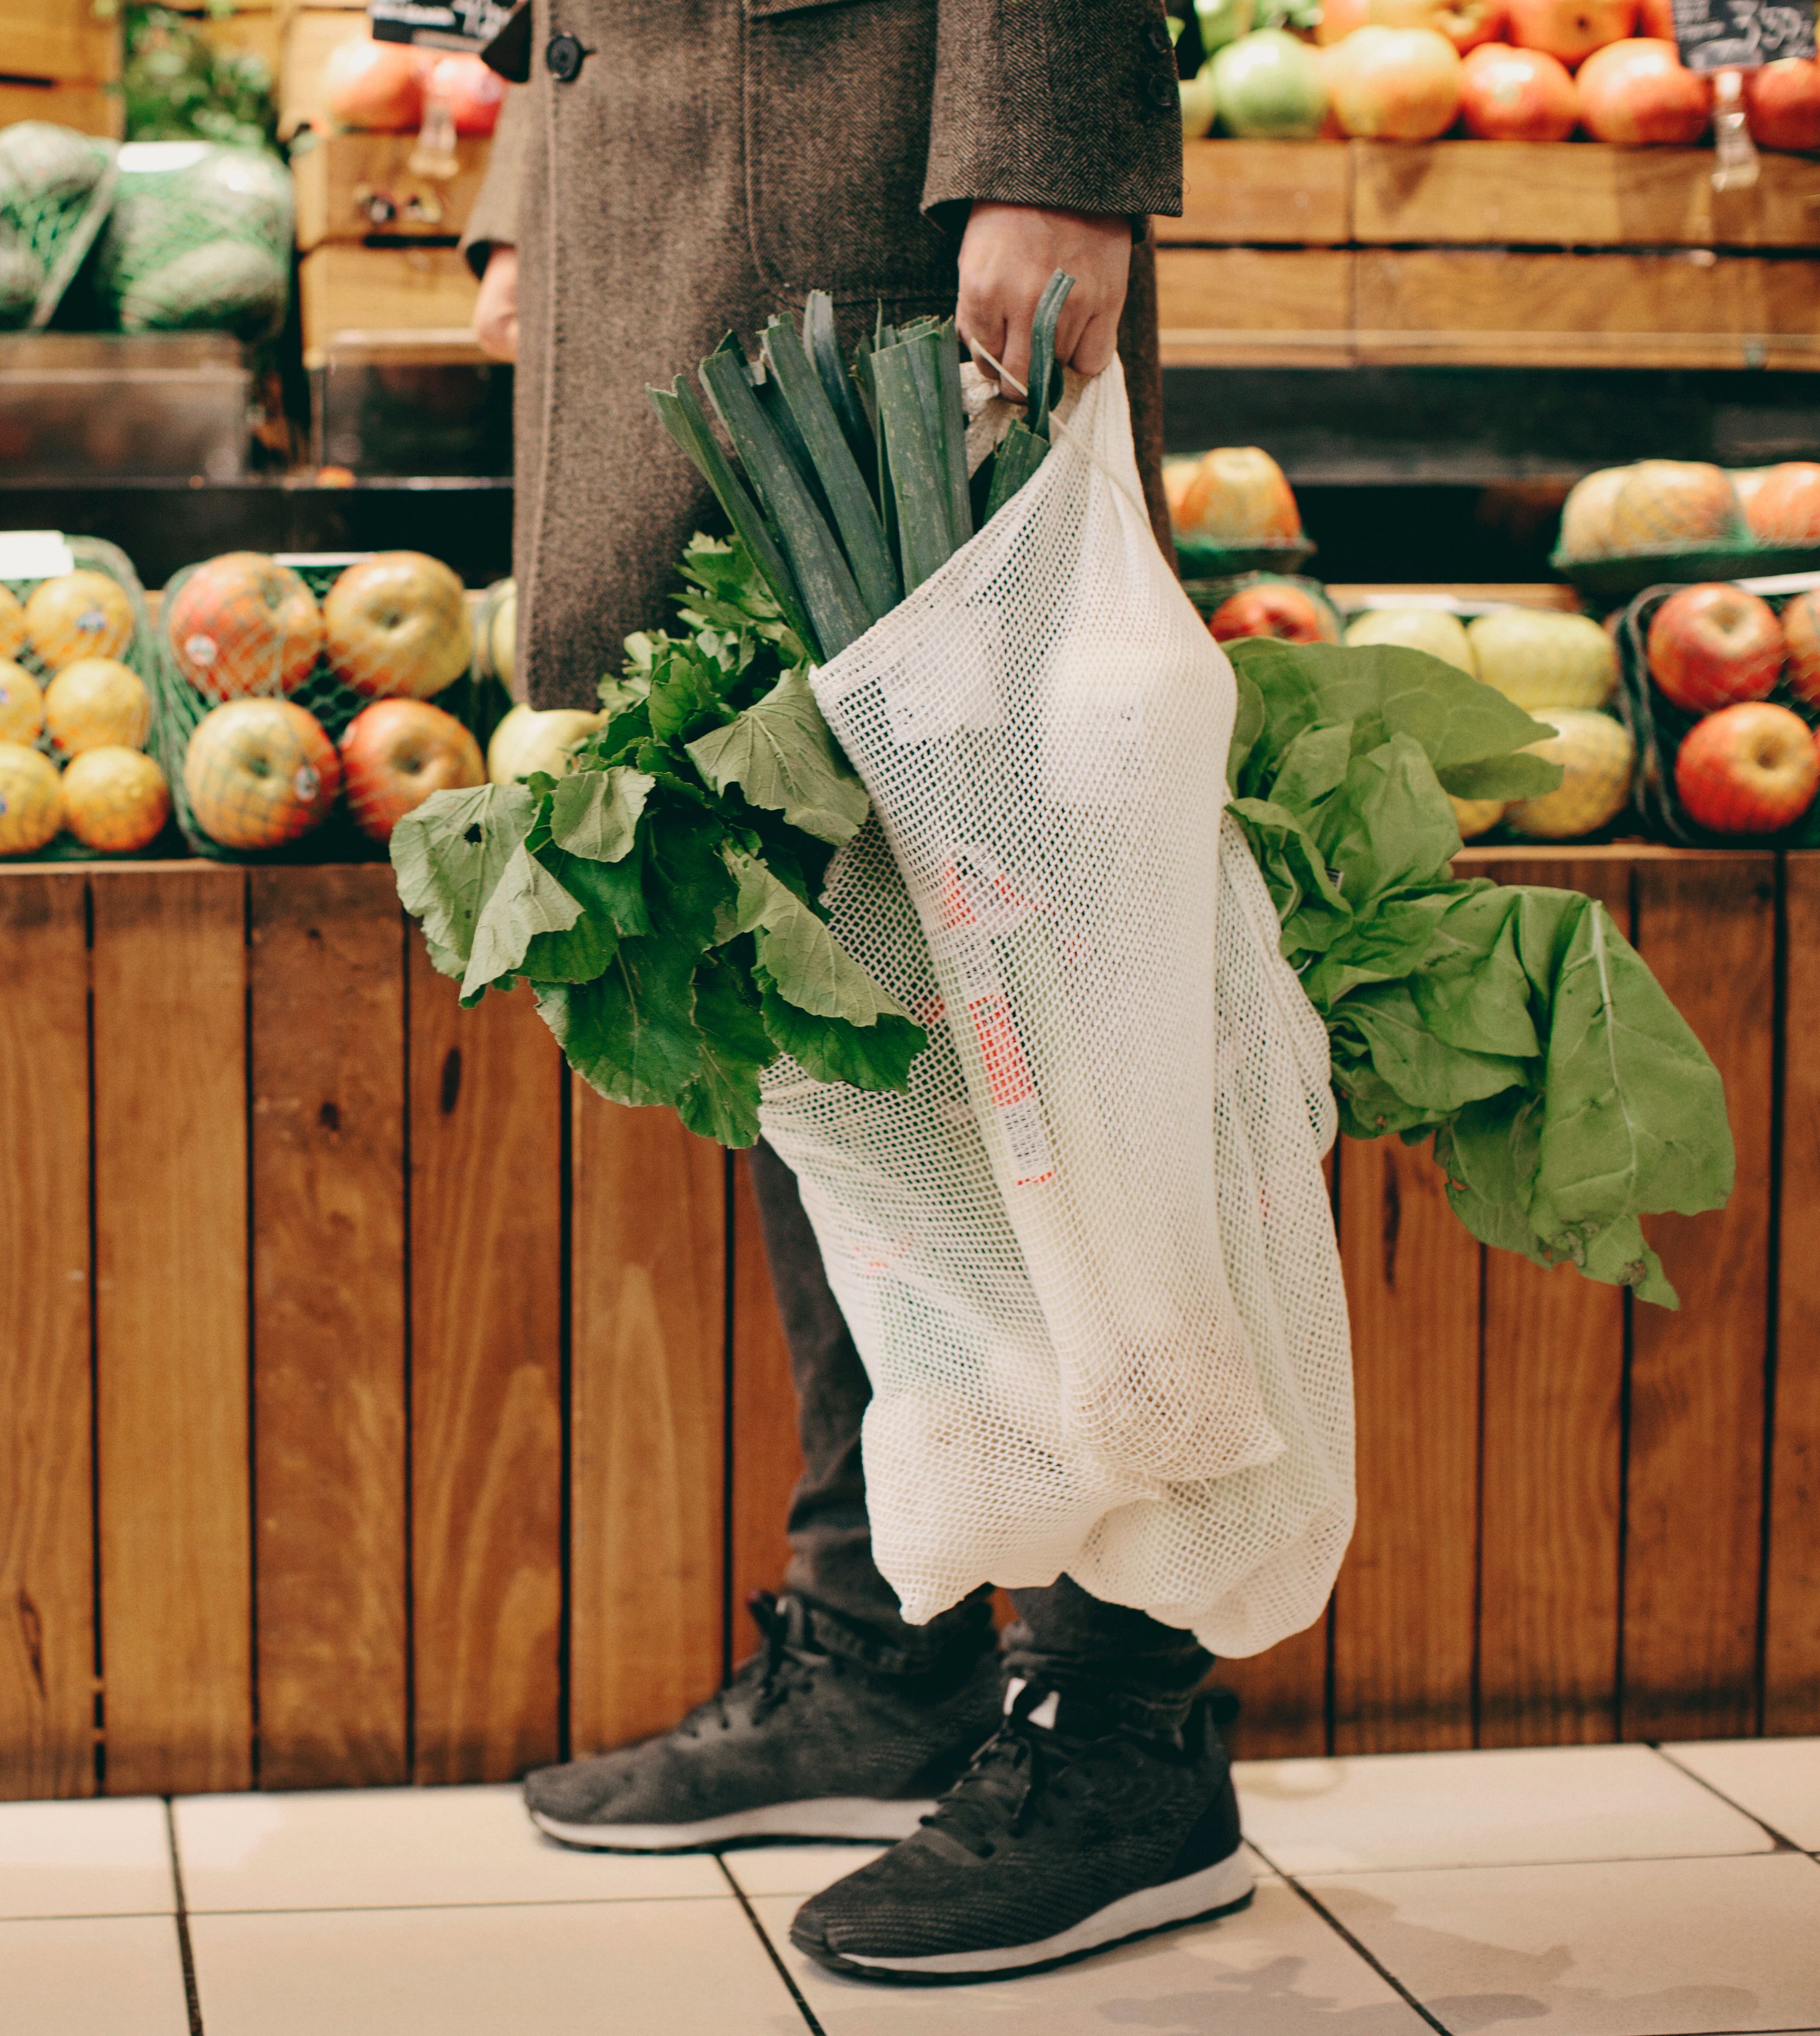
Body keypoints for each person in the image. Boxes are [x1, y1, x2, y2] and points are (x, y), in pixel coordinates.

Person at [463, 1, 1244, 1986]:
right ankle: (888, 1643)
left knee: (1042, 975)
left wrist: (1053, 148)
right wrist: (536, 173)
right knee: (804, 956)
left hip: (875, 211)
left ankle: (1124, 1719)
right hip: (685, 196)